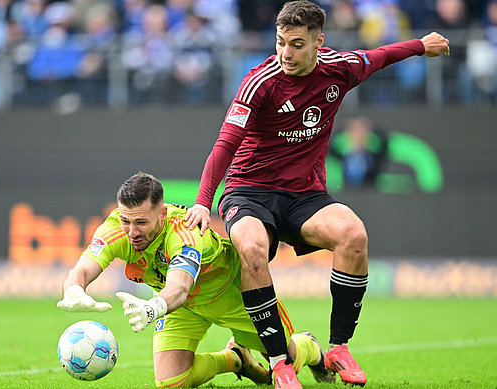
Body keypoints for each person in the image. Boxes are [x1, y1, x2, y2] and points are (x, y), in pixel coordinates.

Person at [183, 1, 450, 387]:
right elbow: (225, 145)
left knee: (353, 235)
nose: (286, 54)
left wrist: (421, 46)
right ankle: (280, 361)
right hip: (249, 190)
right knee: (252, 247)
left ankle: (339, 348)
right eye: (280, 43)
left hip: (305, 194)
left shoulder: (339, 68)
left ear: (318, 42)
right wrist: (203, 201)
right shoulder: (260, 81)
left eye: (296, 44)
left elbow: (379, 56)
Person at [57, 172, 335, 388]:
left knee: (285, 364)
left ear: (162, 213)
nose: (132, 231)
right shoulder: (117, 229)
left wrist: (152, 307)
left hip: (234, 297)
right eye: (127, 221)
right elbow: (82, 269)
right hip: (184, 307)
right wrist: (74, 289)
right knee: (170, 381)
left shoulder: (185, 232)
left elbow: (179, 287)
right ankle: (235, 358)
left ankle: (310, 347)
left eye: (141, 222)